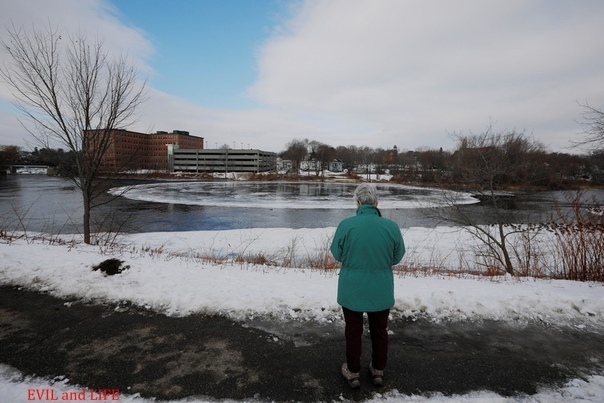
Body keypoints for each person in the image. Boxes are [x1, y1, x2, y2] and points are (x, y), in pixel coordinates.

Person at [330, 183, 405, 388]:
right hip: (380, 288)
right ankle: (378, 370)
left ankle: (353, 372)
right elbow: (397, 257)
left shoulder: (346, 225)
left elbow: (336, 254)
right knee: (379, 331)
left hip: (352, 288)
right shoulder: (391, 227)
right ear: (376, 202)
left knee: (353, 331)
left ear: (357, 202)